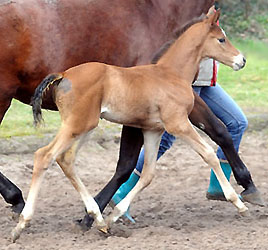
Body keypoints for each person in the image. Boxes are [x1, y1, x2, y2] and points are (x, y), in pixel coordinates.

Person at [111, 6, 248, 222]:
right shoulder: (188, 12)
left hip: (208, 84)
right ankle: (122, 192)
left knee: (237, 122)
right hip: (181, 85)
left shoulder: (211, 16)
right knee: (164, 137)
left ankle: (217, 186)